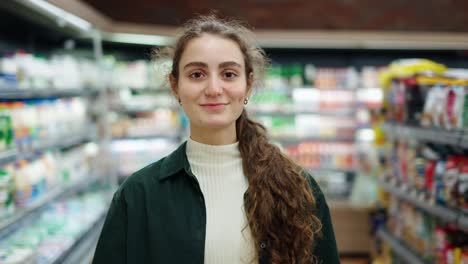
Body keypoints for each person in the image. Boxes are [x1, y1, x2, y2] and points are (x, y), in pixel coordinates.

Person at [93, 14, 339, 264]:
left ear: (248, 85)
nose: (213, 88)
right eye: (197, 74)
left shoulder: (296, 188)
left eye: (229, 74)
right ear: (175, 86)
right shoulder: (137, 195)